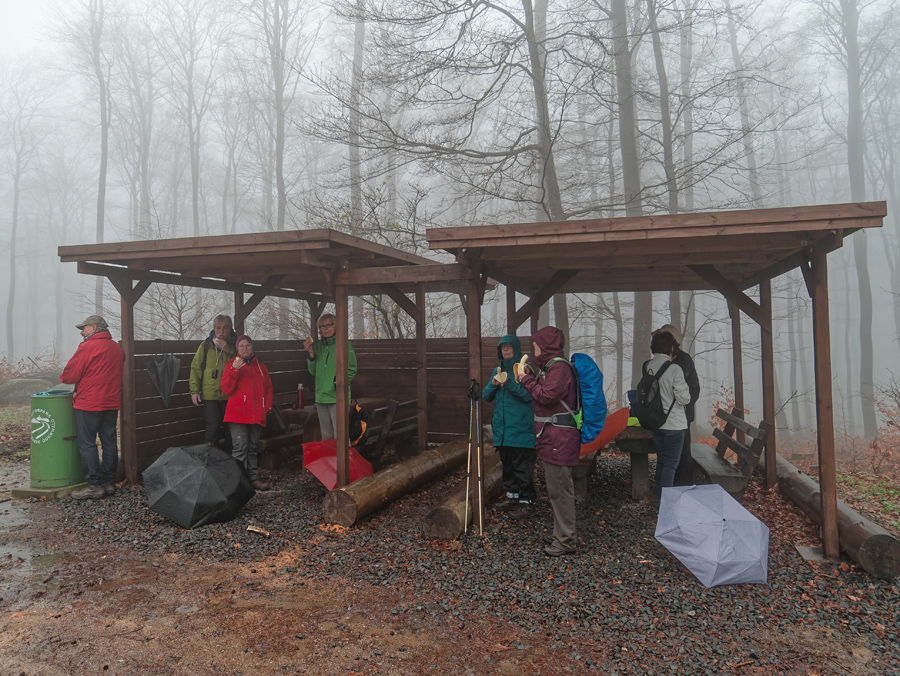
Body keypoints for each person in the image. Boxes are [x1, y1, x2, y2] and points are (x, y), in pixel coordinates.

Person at [519, 326, 581, 556]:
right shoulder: (552, 367)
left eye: (536, 345)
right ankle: (561, 533)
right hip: (553, 438)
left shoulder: (559, 368)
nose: (533, 348)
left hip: (559, 439)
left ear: (544, 346)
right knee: (556, 489)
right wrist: (531, 377)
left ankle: (565, 541)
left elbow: (546, 396)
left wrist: (526, 380)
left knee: (560, 491)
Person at [60, 315, 125, 500]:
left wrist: (64, 378)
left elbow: (69, 376)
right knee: (110, 442)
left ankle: (93, 486)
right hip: (111, 402)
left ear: (94, 328)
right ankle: (109, 483)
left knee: (88, 443)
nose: (82, 332)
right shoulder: (117, 349)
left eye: (84, 328)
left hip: (88, 402)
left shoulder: (87, 347)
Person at [482, 335, 536, 520]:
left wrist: (510, 383)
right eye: (502, 347)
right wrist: (494, 383)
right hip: (503, 430)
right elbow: (486, 396)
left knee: (522, 467)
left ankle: (526, 502)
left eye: (508, 347)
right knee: (508, 466)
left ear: (515, 348)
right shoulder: (497, 370)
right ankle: (512, 498)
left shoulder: (525, 369)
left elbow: (529, 395)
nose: (505, 350)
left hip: (521, 429)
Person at [642, 331, 691, 500]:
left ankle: (660, 499)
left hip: (656, 423)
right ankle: (665, 506)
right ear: (670, 348)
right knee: (670, 466)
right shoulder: (675, 369)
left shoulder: (647, 366)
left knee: (662, 462)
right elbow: (684, 398)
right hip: (674, 425)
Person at [221, 335, 274, 491]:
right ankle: (240, 483)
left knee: (252, 447)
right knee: (240, 448)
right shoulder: (231, 365)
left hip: (257, 413)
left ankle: (253, 479)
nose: (245, 349)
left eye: (248, 346)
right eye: (241, 346)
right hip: (238, 415)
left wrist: (267, 406)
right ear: (237, 349)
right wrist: (234, 371)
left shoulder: (261, 367)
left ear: (252, 347)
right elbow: (225, 390)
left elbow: (269, 388)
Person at [652, 324, 700, 486]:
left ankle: (682, 487)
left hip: (681, 419)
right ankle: (667, 493)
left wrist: (683, 409)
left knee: (682, 457)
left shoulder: (684, 360)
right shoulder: (659, 361)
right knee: (669, 461)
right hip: (663, 419)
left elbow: (693, 390)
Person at [303, 313, 357, 440]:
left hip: (337, 397)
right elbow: (313, 371)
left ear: (336, 326)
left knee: (340, 435)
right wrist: (311, 354)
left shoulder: (344, 345)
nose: (325, 328)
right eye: (322, 326)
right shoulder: (318, 347)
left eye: (329, 325)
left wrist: (336, 384)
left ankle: (344, 460)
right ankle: (331, 461)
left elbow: (352, 369)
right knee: (326, 436)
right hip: (321, 398)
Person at [189, 314, 237, 452]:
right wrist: (194, 391)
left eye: (225, 328)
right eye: (218, 328)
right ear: (214, 328)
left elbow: (242, 364)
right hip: (210, 394)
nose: (221, 332)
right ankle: (210, 459)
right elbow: (196, 367)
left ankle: (231, 462)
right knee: (213, 428)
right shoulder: (206, 345)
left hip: (230, 395)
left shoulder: (236, 345)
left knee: (231, 430)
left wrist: (229, 351)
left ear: (230, 329)